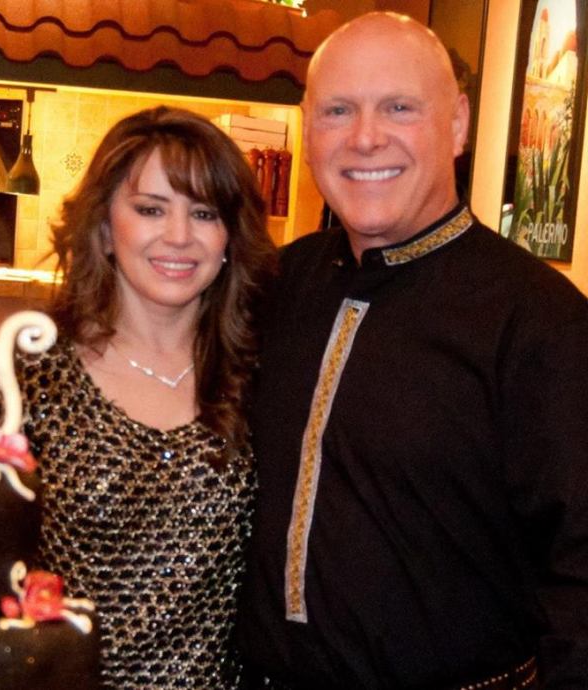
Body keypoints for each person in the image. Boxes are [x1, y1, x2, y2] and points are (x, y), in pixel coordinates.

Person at [237, 11, 588, 690]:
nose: (366, 137)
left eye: (399, 107)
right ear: (309, 130)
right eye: (338, 110)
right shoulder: (275, 285)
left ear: (457, 124)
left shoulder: (540, 319)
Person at [0, 105, 277, 689]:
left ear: (230, 236)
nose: (178, 236)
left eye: (204, 213)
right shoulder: (31, 377)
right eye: (151, 209)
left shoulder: (267, 374)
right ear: (104, 228)